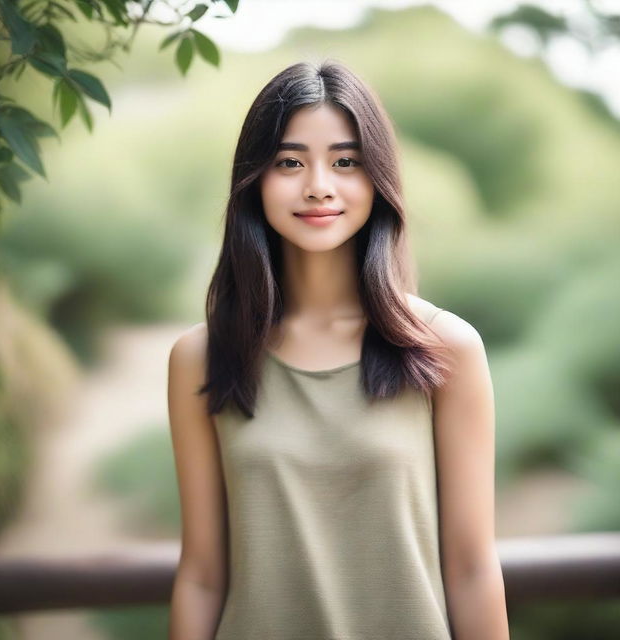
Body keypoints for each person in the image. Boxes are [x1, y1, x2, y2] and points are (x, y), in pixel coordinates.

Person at [167, 59, 509, 640]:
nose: (318, 184)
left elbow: (473, 570)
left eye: (346, 161)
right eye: (290, 162)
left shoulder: (444, 348)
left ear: (378, 179)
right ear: (256, 180)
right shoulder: (202, 356)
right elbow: (202, 575)